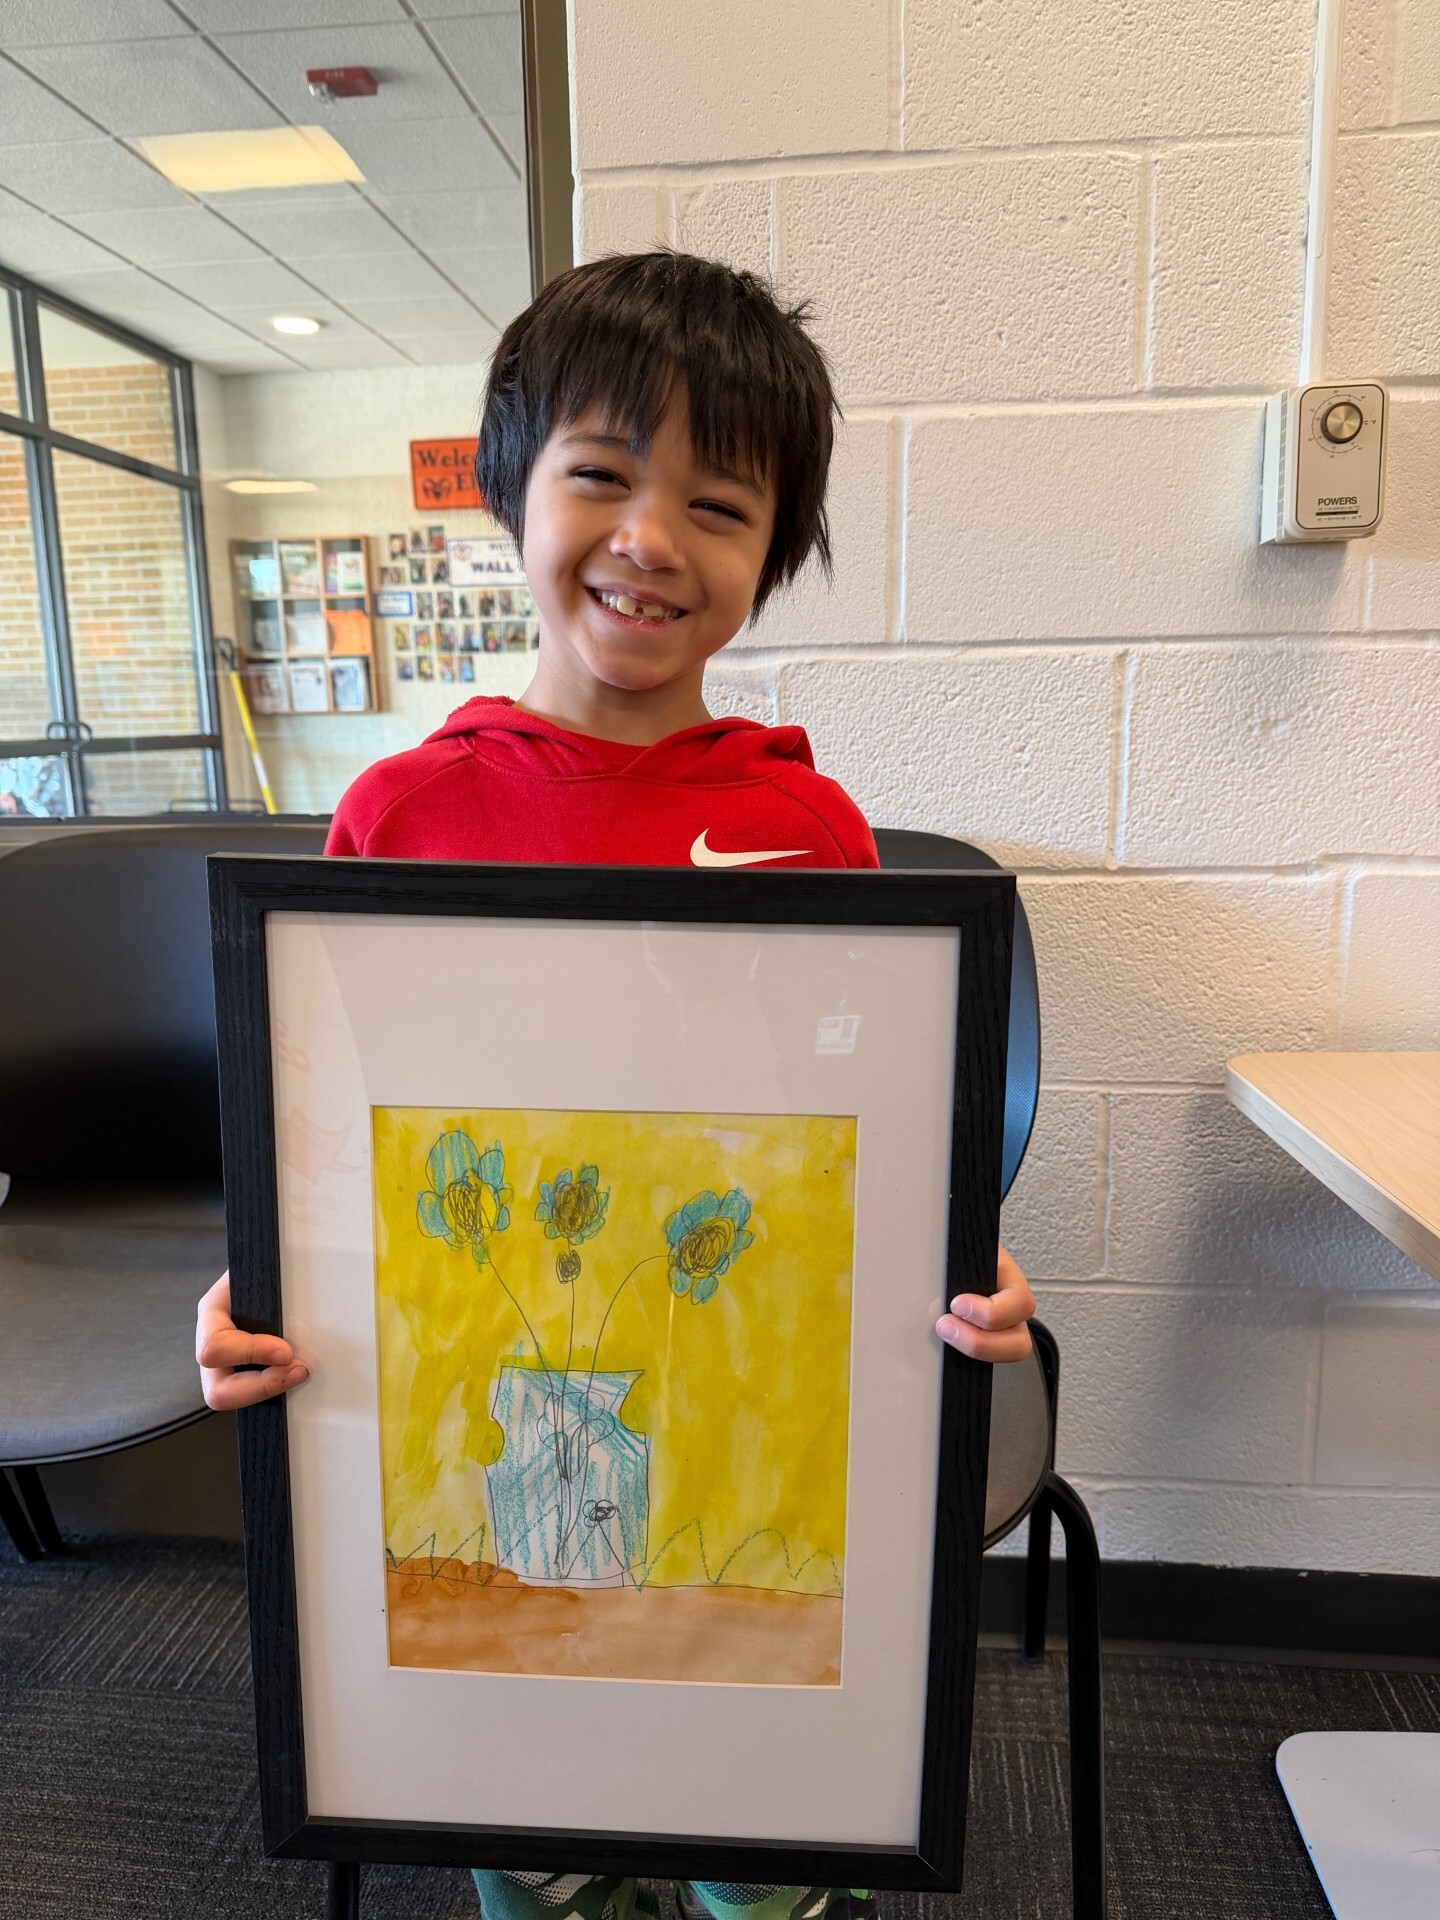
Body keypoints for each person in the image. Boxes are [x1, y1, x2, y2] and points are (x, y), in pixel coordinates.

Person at [196, 251, 1037, 1920]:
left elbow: (856, 1143)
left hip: (727, 1367)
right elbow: (327, 1145)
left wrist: (955, 1270)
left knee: (754, 1819)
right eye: (600, 475)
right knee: (526, 1788)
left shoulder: (818, 836)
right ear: (511, 489)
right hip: (493, 1358)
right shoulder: (396, 822)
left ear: (771, 554)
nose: (651, 539)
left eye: (719, 505)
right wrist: (258, 1288)